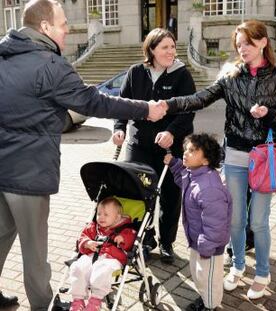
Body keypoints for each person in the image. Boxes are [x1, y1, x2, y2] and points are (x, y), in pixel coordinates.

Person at [0, 1, 166, 310]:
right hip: (28, 173)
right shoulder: (49, 65)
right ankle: (44, 305)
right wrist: (146, 109)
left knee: (1, 235)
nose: (67, 31)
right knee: (35, 252)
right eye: (63, 25)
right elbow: (95, 103)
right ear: (45, 27)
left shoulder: (3, 55)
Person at [160, 19, 276, 299]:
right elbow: (199, 99)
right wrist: (167, 105)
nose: (242, 49)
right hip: (234, 154)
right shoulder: (231, 76)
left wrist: (269, 115)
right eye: (239, 44)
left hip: (263, 157)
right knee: (234, 220)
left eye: (248, 43)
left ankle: (262, 273)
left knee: (258, 221)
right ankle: (238, 265)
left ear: (263, 42)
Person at [111, 28, 196, 264]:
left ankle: (167, 242)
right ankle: (144, 240)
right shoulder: (136, 72)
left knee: (170, 195)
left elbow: (189, 111)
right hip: (138, 145)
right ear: (151, 50)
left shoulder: (182, 75)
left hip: (170, 148)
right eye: (164, 47)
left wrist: (171, 131)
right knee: (139, 194)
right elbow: (121, 104)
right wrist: (119, 127)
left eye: (172, 46)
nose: (171, 52)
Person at [164, 133, 232, 311]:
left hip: (209, 245)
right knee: (199, 274)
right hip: (198, 240)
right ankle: (206, 299)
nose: (186, 153)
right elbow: (183, 181)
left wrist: (206, 246)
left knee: (209, 279)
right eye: (186, 149)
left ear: (205, 160)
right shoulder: (194, 175)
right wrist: (174, 164)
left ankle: (210, 306)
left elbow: (216, 223)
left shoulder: (209, 187)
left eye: (192, 151)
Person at [69, 197, 135, 311]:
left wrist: (123, 238)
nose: (101, 217)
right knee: (77, 267)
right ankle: (78, 300)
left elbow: (132, 237)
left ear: (118, 217)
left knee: (102, 271)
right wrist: (87, 243)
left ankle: (95, 301)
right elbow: (82, 236)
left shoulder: (125, 229)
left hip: (112, 259)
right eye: (99, 214)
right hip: (92, 256)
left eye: (106, 214)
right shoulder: (93, 227)